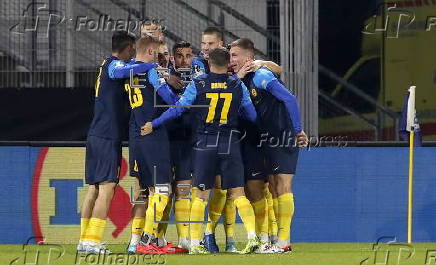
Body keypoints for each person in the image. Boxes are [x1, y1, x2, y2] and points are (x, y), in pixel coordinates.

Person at [142, 47, 260, 254]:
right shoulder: (237, 85)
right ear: (227, 64)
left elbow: (178, 109)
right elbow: (252, 116)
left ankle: (195, 243)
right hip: (230, 142)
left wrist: (155, 123)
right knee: (238, 194)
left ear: (210, 63)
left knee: (200, 196)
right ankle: (252, 238)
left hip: (205, 143)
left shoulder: (199, 84)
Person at [78, 31, 154, 254]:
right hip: (106, 135)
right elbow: (128, 69)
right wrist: (149, 65)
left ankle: (84, 240)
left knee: (93, 189)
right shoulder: (113, 66)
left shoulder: (105, 63)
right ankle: (92, 240)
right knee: (107, 187)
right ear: (129, 47)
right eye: (133, 49)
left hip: (96, 134)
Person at [229, 38, 308, 252]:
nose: (231, 59)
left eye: (235, 55)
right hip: (266, 138)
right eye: (230, 55)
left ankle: (284, 241)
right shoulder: (242, 79)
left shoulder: (262, 75)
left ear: (249, 57)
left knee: (282, 186)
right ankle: (274, 240)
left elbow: (290, 99)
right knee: (272, 186)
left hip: (281, 135)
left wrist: (297, 129)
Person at [123, 35, 185, 255]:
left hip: (136, 137)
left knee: (148, 190)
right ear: (150, 52)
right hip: (153, 135)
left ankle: (149, 242)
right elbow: (172, 101)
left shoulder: (128, 69)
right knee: (163, 189)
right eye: (158, 53)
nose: (160, 57)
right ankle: (147, 241)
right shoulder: (151, 71)